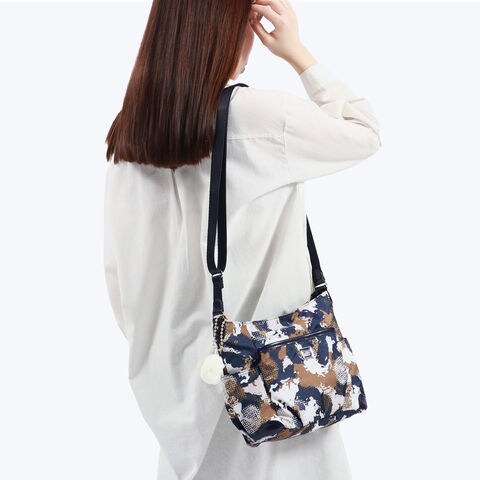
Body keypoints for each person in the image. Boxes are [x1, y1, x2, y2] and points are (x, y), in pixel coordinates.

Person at [103, 0, 381, 478]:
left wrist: (165, 349)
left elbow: (118, 271)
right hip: (276, 384)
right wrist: (297, 53)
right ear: (229, 26)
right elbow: (364, 132)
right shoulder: (260, 116)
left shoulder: (131, 129)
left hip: (180, 386)